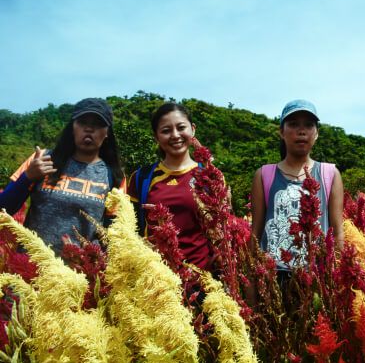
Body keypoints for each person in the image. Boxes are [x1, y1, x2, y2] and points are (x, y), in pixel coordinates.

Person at [0, 98, 125, 255]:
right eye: (82, 122)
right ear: (72, 127)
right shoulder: (42, 159)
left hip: (81, 274)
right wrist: (27, 177)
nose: (89, 129)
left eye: (98, 124)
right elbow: (3, 208)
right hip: (30, 268)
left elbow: (111, 234)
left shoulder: (113, 175)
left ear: (107, 132)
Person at [251, 99, 344, 275]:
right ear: (281, 132)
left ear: (316, 133)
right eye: (293, 124)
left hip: (317, 276)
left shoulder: (330, 174)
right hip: (274, 275)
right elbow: (255, 233)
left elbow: (337, 231)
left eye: (308, 125)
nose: (301, 131)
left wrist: (337, 276)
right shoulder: (263, 175)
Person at [128, 103, 211, 271]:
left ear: (193, 129)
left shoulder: (209, 177)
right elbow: (130, 230)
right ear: (156, 137)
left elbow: (221, 231)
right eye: (166, 131)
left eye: (181, 128)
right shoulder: (141, 178)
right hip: (154, 278)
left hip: (201, 280)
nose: (175, 135)